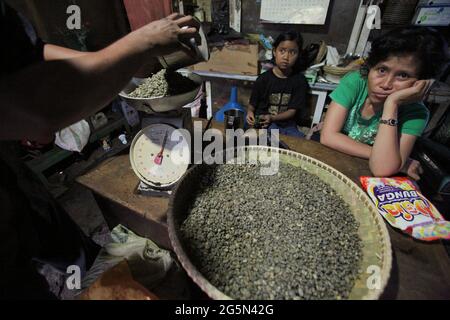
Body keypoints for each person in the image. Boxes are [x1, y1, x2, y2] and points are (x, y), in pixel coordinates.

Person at [0, 0, 199, 299]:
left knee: (58, 237)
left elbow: (33, 53)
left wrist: (103, 65)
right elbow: (38, 116)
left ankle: (89, 273)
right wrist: (142, 43)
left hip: (10, 172)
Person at [320, 27, 448, 180]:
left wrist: (392, 104)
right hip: (334, 157)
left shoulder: (416, 113)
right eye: (381, 70)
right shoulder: (355, 82)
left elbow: (381, 168)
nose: (386, 84)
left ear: (421, 83)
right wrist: (398, 161)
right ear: (370, 67)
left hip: (364, 172)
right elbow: (328, 136)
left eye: (403, 75)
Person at [246, 31, 308, 138]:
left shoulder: (299, 81)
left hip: (287, 125)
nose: (286, 57)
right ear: (275, 52)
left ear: (298, 55)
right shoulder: (263, 79)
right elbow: (252, 105)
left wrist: (272, 117)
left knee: (299, 139)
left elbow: (292, 111)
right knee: (270, 137)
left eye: (292, 52)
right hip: (265, 123)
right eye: (282, 51)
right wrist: (249, 113)